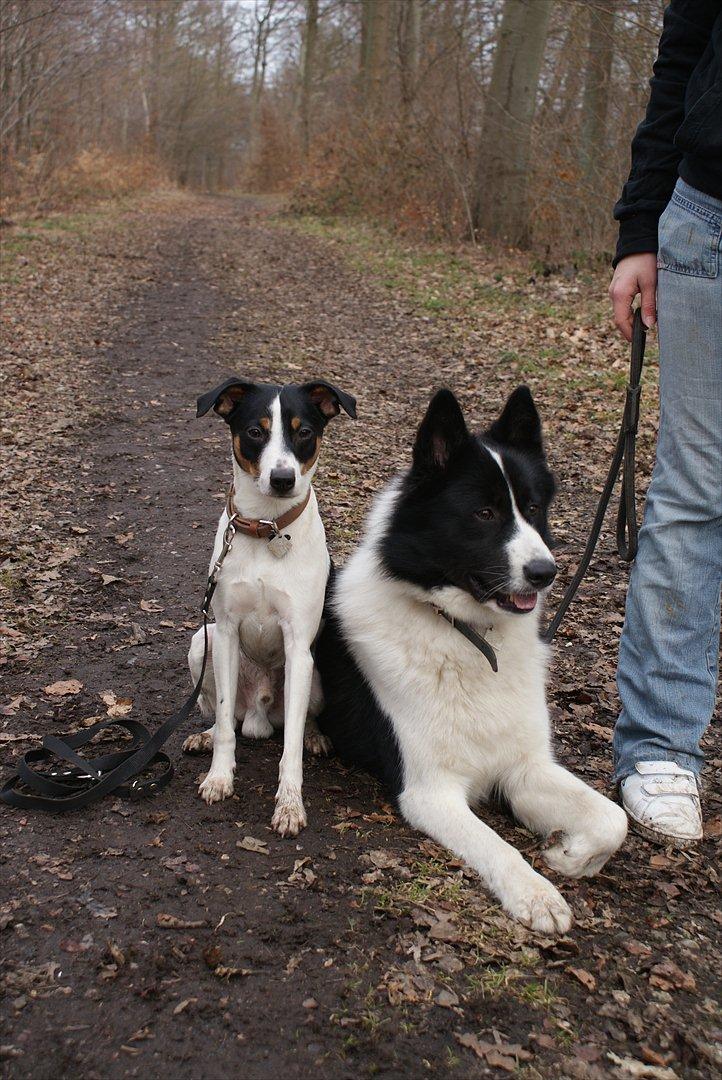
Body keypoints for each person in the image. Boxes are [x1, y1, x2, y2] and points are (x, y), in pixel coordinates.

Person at [609, 0, 721, 845]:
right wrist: (638, 227)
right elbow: (680, 56)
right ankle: (659, 747)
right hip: (711, 219)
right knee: (696, 492)